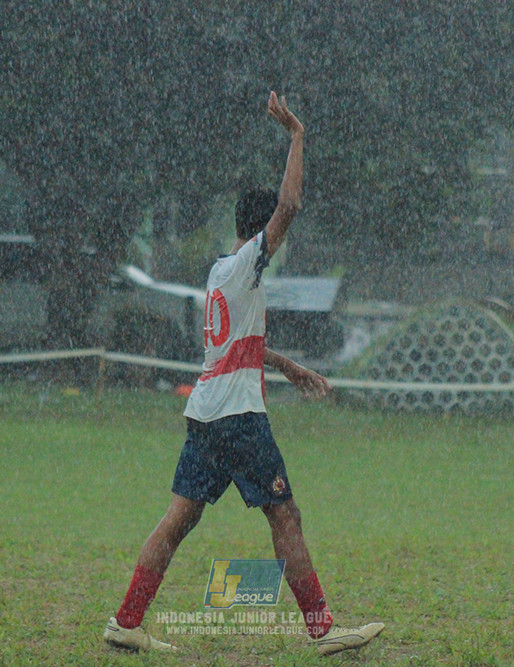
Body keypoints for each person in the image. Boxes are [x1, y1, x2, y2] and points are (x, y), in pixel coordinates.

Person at [103, 92, 384, 656]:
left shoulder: (221, 272)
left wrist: (290, 367)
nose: (280, 243)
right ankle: (325, 632)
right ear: (261, 233)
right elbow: (292, 205)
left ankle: (126, 621)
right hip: (238, 418)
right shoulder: (252, 261)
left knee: (178, 521)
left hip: (206, 413)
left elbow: (239, 349)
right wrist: (298, 136)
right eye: (274, 235)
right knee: (286, 517)